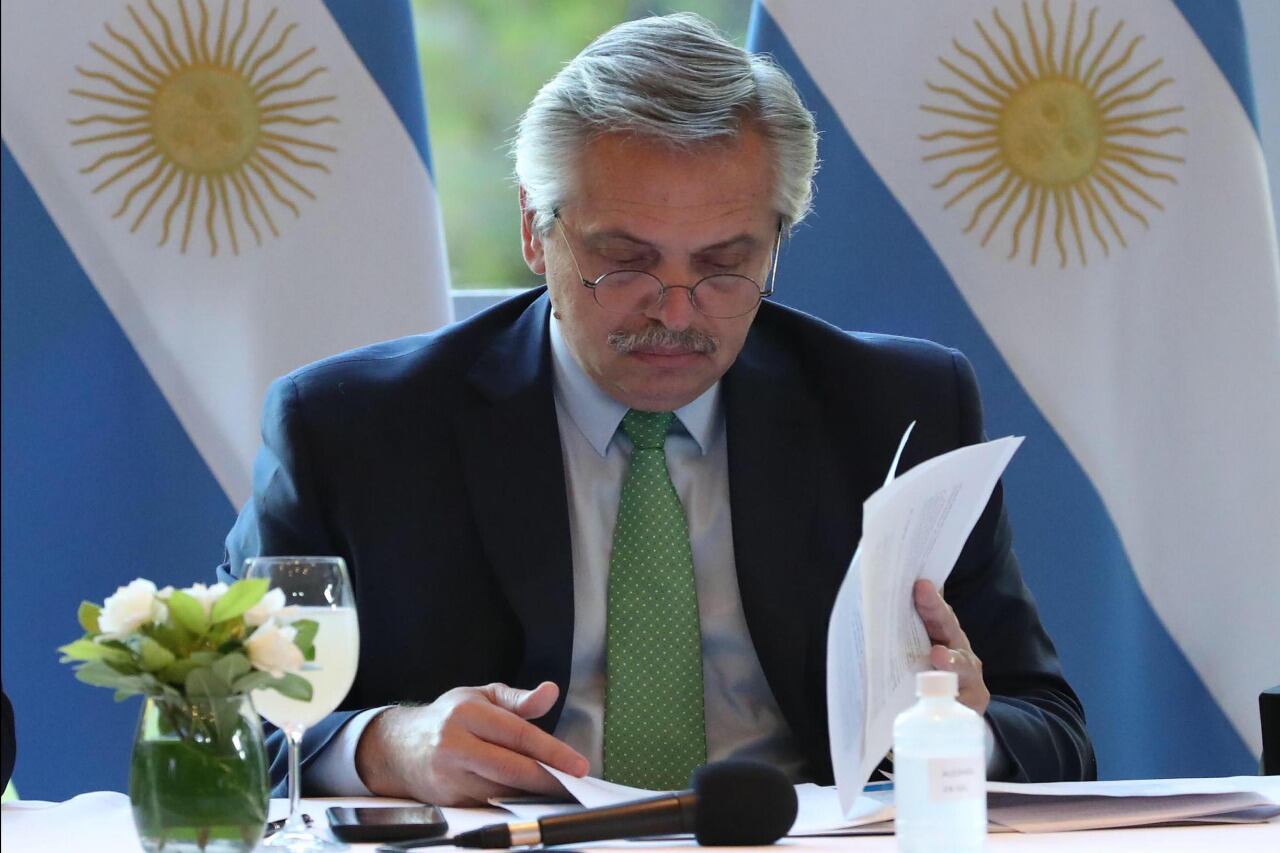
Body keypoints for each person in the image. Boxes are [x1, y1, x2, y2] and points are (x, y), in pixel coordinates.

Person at [221, 13, 1094, 805]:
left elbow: (1054, 733)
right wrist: (386, 744)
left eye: (723, 264)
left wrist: (956, 728)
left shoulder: (895, 408)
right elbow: (215, 720)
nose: (676, 311)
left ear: (778, 241)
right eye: (627, 261)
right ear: (534, 229)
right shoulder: (351, 429)